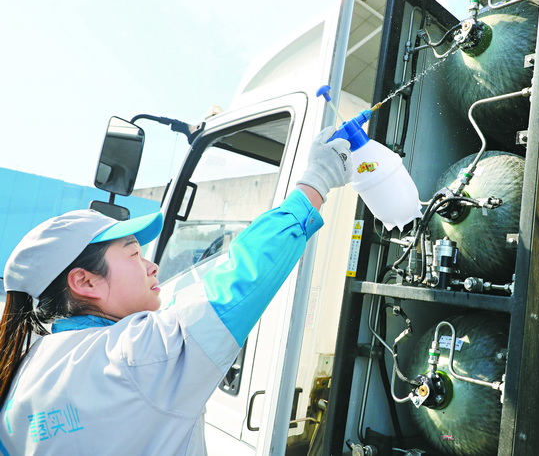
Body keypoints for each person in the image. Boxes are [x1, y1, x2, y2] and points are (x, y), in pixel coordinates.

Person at [0, 127, 351, 455]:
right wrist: (316, 181)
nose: (152, 266)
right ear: (84, 282)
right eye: (134, 254)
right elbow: (241, 278)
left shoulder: (22, 373)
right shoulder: (138, 355)